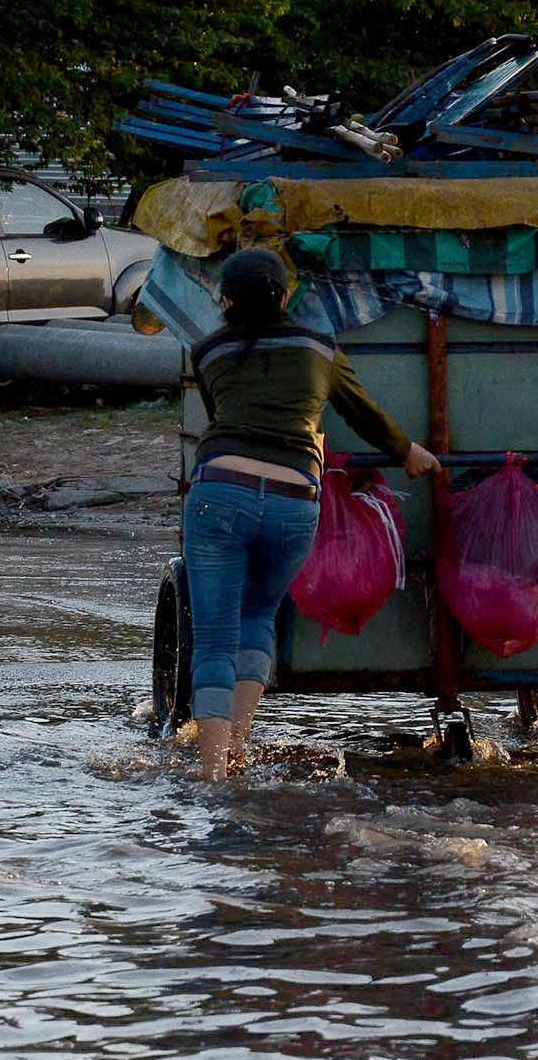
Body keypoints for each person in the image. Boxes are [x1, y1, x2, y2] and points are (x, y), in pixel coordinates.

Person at [186, 249, 442, 781]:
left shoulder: (207, 352)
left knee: (214, 636)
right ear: (284, 297)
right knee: (258, 617)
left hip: (220, 493)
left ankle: (212, 775)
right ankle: (238, 744)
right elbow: (361, 412)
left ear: (226, 302)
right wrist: (407, 452)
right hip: (293, 499)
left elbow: (224, 419)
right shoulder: (319, 348)